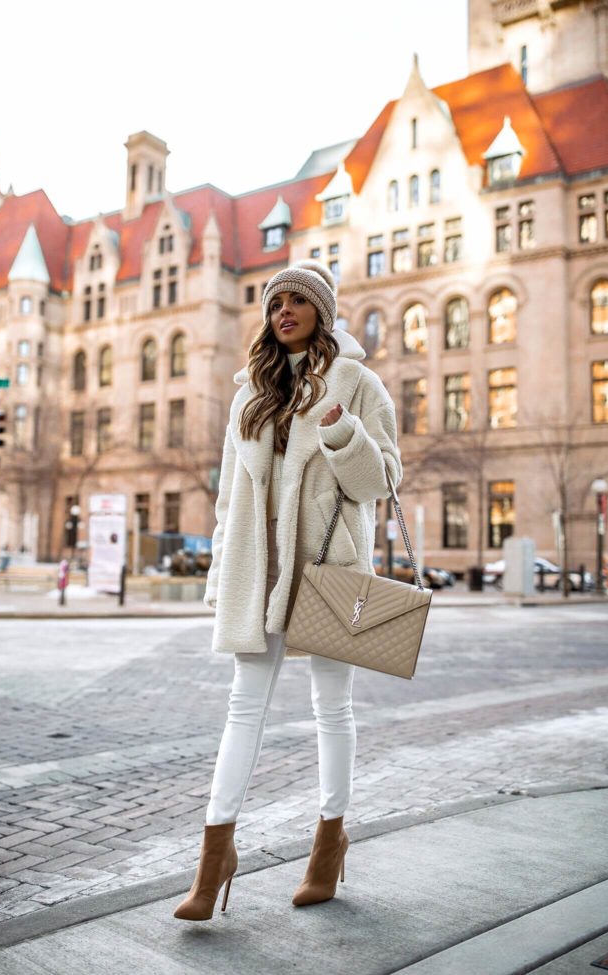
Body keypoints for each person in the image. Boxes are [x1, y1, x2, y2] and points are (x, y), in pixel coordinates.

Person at [173, 259, 403, 921]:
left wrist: (338, 426)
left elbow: (382, 482)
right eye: (277, 302)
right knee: (242, 708)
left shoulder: (357, 382)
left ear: (322, 313)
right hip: (258, 569)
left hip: (327, 569)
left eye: (300, 300)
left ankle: (329, 844)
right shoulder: (250, 392)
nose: (285, 311)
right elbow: (226, 501)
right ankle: (214, 860)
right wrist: (223, 578)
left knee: (332, 707)